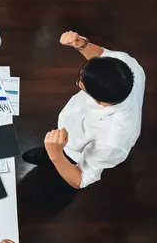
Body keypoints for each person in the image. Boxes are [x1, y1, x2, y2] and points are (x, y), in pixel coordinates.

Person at [22, 31, 146, 189]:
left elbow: (80, 180)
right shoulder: (127, 65)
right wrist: (81, 44)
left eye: (80, 84)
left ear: (98, 101)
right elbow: (100, 55)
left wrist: (55, 154)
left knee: (56, 176)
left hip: (76, 152)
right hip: (70, 129)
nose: (79, 79)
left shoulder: (113, 141)